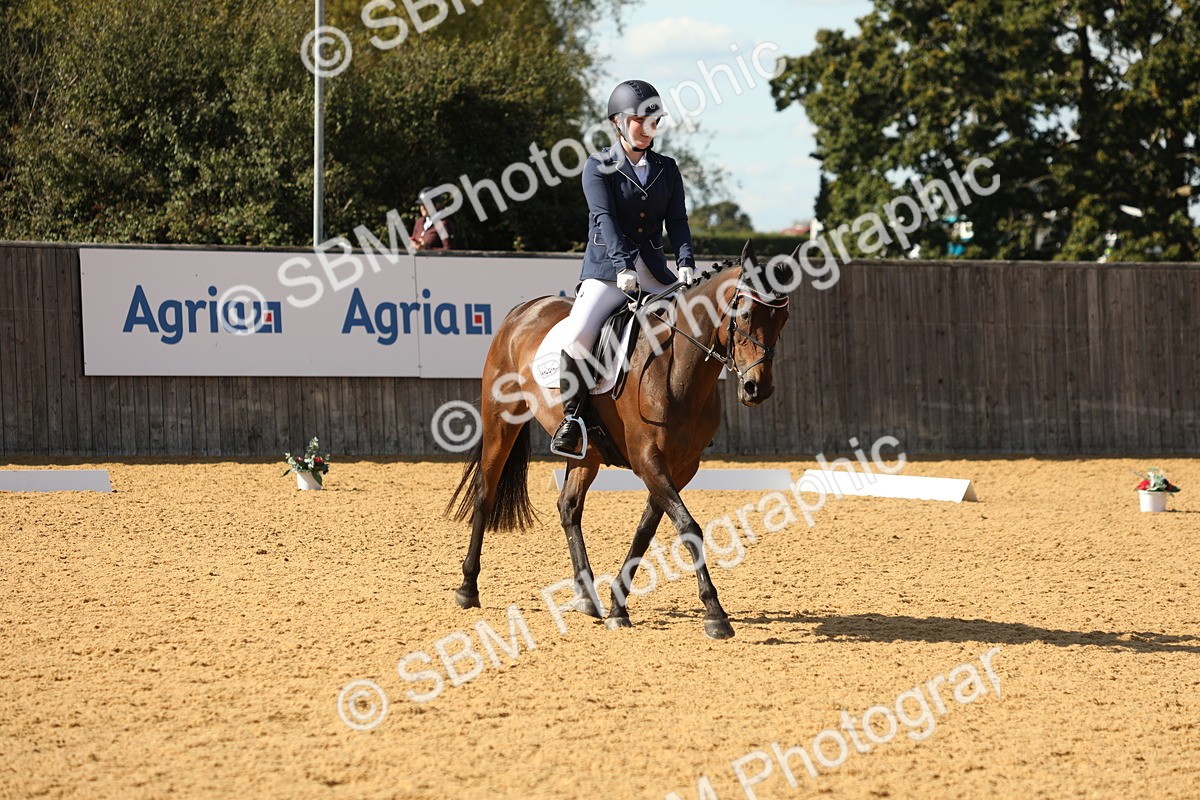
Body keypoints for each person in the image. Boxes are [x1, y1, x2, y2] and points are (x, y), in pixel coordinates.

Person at [549, 79, 697, 458]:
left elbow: (677, 221)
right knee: (579, 333)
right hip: (607, 271)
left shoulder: (667, 168)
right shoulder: (598, 166)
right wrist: (622, 266)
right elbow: (605, 219)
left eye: (654, 121)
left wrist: (685, 262)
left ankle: (692, 418)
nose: (648, 128)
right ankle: (572, 419)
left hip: (655, 272)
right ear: (618, 122)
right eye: (639, 121)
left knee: (696, 326)